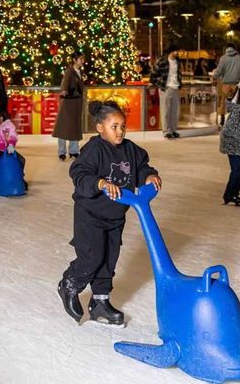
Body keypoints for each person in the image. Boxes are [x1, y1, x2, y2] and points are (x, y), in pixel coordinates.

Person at [57, 101, 161, 325]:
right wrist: (100, 183)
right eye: (114, 126)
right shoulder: (94, 149)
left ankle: (100, 302)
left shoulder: (130, 149)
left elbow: (142, 165)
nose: (120, 131)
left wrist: (148, 175)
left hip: (115, 216)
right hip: (90, 215)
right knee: (92, 257)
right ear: (100, 127)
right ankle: (69, 284)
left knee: (109, 261)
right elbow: (79, 172)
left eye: (123, 126)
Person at [53, 52, 86, 159]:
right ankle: (61, 151)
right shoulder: (69, 72)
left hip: (75, 103)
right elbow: (64, 84)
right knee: (64, 128)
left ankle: (74, 150)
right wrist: (64, 91)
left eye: (82, 59)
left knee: (74, 127)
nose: (82, 61)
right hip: (68, 103)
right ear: (74, 60)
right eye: (80, 59)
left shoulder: (79, 71)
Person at [152, 45, 182, 139]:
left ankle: (173, 130)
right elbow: (153, 74)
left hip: (175, 87)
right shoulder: (162, 61)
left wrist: (180, 83)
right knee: (165, 110)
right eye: (175, 51)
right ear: (171, 52)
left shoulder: (177, 61)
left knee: (175, 111)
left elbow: (178, 74)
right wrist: (159, 83)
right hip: (166, 88)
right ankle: (166, 131)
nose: (177, 53)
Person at [211, 44, 240, 127]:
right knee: (236, 102)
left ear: (227, 49)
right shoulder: (239, 58)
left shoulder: (223, 58)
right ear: (234, 48)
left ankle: (222, 120)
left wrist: (214, 77)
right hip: (236, 84)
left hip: (225, 83)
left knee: (223, 102)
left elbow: (219, 70)